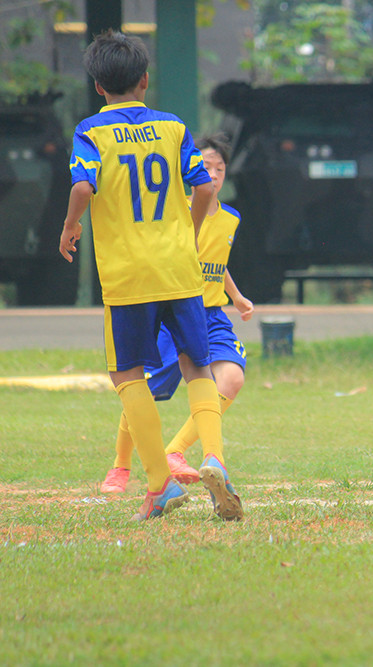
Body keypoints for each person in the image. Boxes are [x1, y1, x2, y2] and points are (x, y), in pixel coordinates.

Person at [59, 31, 241, 521]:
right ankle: (214, 458)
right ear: (145, 80)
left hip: (127, 275)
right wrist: (190, 233)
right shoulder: (174, 127)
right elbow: (202, 189)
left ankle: (159, 484)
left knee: (127, 374)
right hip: (179, 270)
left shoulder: (90, 132)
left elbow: (81, 184)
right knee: (197, 366)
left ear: (98, 86)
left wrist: (72, 224)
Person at [98, 134, 254, 502]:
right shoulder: (178, 211)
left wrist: (236, 296)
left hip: (212, 314)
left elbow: (218, 264)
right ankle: (120, 466)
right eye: (207, 167)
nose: (213, 175)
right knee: (145, 389)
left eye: (220, 168)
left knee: (230, 379)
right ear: (190, 170)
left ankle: (177, 451)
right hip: (175, 309)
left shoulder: (231, 218)